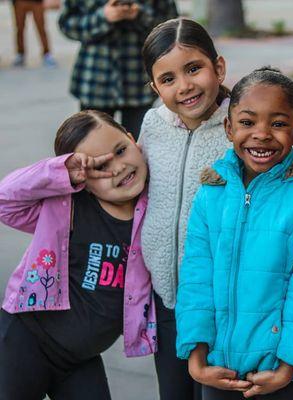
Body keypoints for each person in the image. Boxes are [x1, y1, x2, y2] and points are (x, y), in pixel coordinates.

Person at [176, 67, 293, 399]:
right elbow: (195, 276)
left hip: (281, 373)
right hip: (218, 368)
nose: (261, 134)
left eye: (278, 124)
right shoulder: (212, 191)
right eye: (248, 122)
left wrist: (288, 367)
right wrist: (197, 358)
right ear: (228, 127)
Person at [0, 110, 156, 400]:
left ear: (134, 140)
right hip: (25, 341)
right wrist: (61, 171)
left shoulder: (156, 209)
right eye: (101, 166)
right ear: (82, 177)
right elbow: (5, 200)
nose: (118, 168)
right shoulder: (66, 208)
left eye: (121, 151)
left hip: (81, 359)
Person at [139, 17, 231, 399]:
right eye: (169, 78)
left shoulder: (240, 127)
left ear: (218, 67)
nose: (185, 86)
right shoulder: (153, 123)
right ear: (155, 86)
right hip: (166, 300)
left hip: (220, 303)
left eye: (194, 69)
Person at [58, 0, 178, 139]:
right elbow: (66, 24)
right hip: (95, 80)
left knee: (141, 149)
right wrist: (103, 17)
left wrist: (140, 15)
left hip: (139, 80)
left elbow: (170, 26)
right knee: (95, 148)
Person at [12, 0, 57, 67]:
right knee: (19, 28)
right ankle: (20, 54)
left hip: (36, 2)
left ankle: (47, 54)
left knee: (41, 28)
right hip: (20, 2)